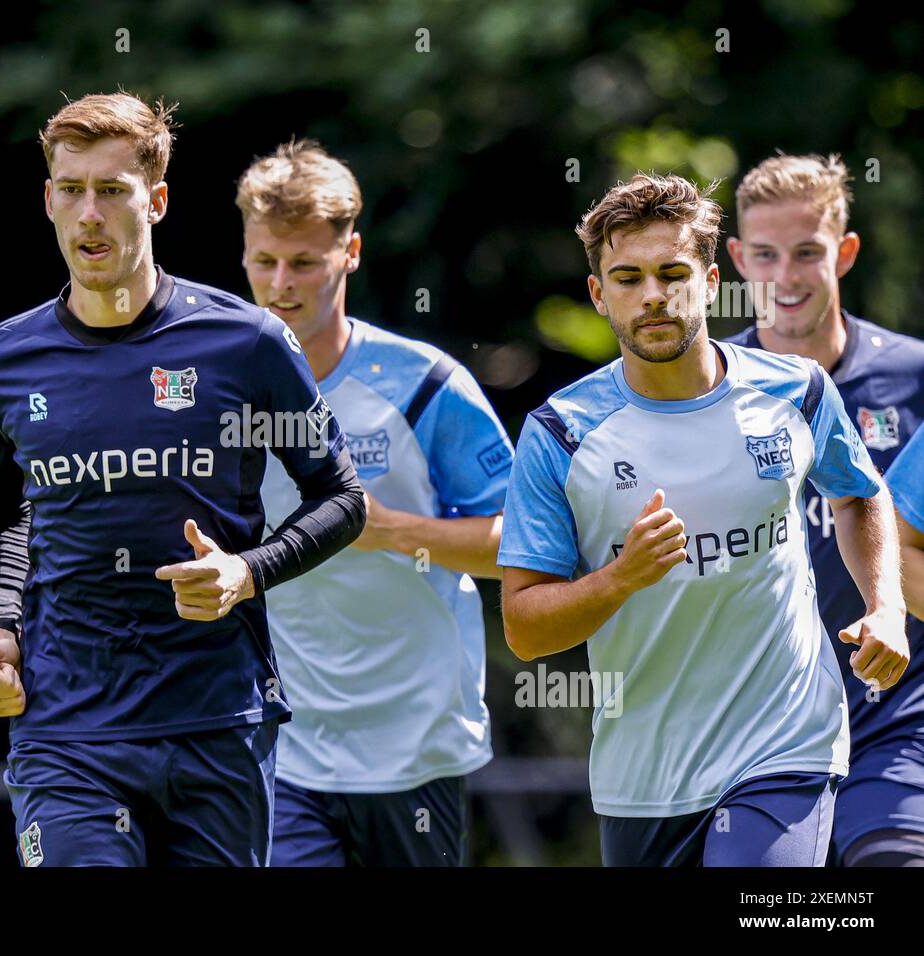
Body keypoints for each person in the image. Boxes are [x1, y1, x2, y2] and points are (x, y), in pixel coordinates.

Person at [0, 93, 365, 866]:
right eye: (72, 190)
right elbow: (2, 510)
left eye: (112, 191)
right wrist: (1, 630)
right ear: (47, 199)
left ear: (158, 200)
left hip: (217, 722)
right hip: (68, 726)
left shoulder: (245, 345)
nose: (89, 214)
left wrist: (246, 572)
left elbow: (341, 498)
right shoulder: (0, 363)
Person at [498, 172, 907, 866]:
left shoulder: (797, 390)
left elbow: (859, 495)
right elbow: (525, 630)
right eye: (627, 278)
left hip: (785, 746)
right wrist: (620, 579)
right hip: (644, 778)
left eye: (672, 273)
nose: (653, 295)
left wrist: (887, 605)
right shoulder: (562, 432)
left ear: (712, 282)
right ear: (599, 295)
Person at [238, 140, 514, 866]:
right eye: (263, 261)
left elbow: (520, 543)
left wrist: (386, 530)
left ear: (350, 252)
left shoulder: (426, 384)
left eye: (304, 263)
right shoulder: (217, 389)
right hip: (283, 746)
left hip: (417, 744)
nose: (280, 283)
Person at [724, 153, 924, 866]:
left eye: (807, 253)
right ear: (738, 259)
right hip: (755, 723)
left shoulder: (914, 377)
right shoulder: (708, 394)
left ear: (843, 252)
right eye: (767, 255)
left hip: (892, 713)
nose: (786, 277)